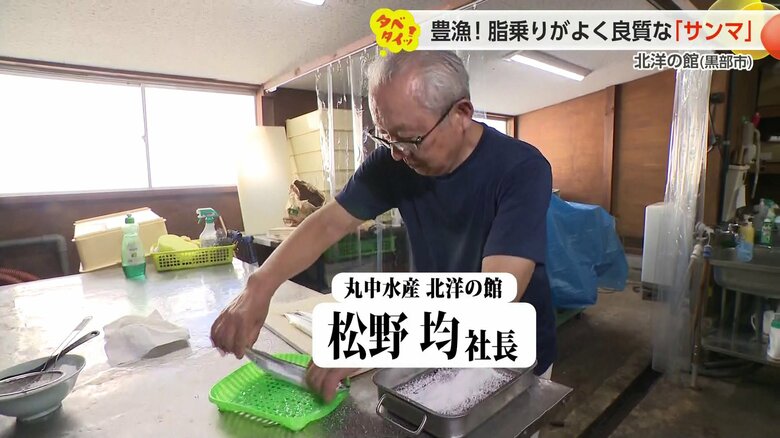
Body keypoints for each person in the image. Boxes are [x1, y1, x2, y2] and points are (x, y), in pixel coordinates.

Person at [211, 50, 556, 405]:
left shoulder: (521, 169)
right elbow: (328, 223)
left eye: (409, 138)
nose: (396, 153)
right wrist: (260, 285)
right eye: (386, 137)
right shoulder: (396, 162)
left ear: (461, 114)